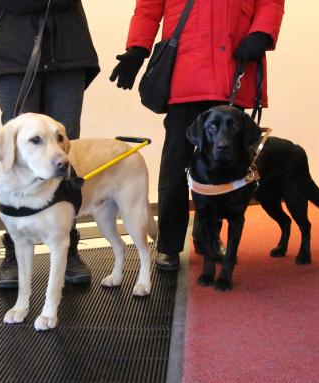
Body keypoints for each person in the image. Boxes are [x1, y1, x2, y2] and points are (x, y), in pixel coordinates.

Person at [110, 0, 285, 271]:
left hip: (233, 65)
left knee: (227, 168)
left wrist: (262, 32)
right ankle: (169, 244)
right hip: (186, 73)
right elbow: (148, 6)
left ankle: (208, 237)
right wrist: (137, 48)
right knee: (175, 164)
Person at [0, 0, 100, 288]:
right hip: (12, 51)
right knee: (15, 153)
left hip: (69, 50)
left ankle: (67, 243)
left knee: (62, 153)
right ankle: (14, 246)